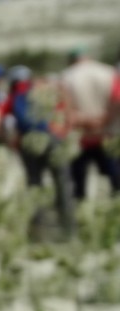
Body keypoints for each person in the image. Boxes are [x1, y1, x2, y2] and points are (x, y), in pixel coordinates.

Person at [0, 65, 75, 239]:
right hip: (52, 140)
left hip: (28, 144)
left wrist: (11, 143)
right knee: (62, 184)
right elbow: (64, 109)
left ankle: (38, 231)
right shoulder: (43, 89)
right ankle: (69, 229)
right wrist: (64, 131)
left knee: (35, 185)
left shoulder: (13, 96)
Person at [61, 47, 120, 200]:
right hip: (109, 134)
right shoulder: (109, 73)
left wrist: (86, 121)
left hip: (80, 137)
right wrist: (104, 119)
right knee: (115, 180)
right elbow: (117, 100)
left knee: (79, 185)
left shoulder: (66, 77)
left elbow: (64, 110)